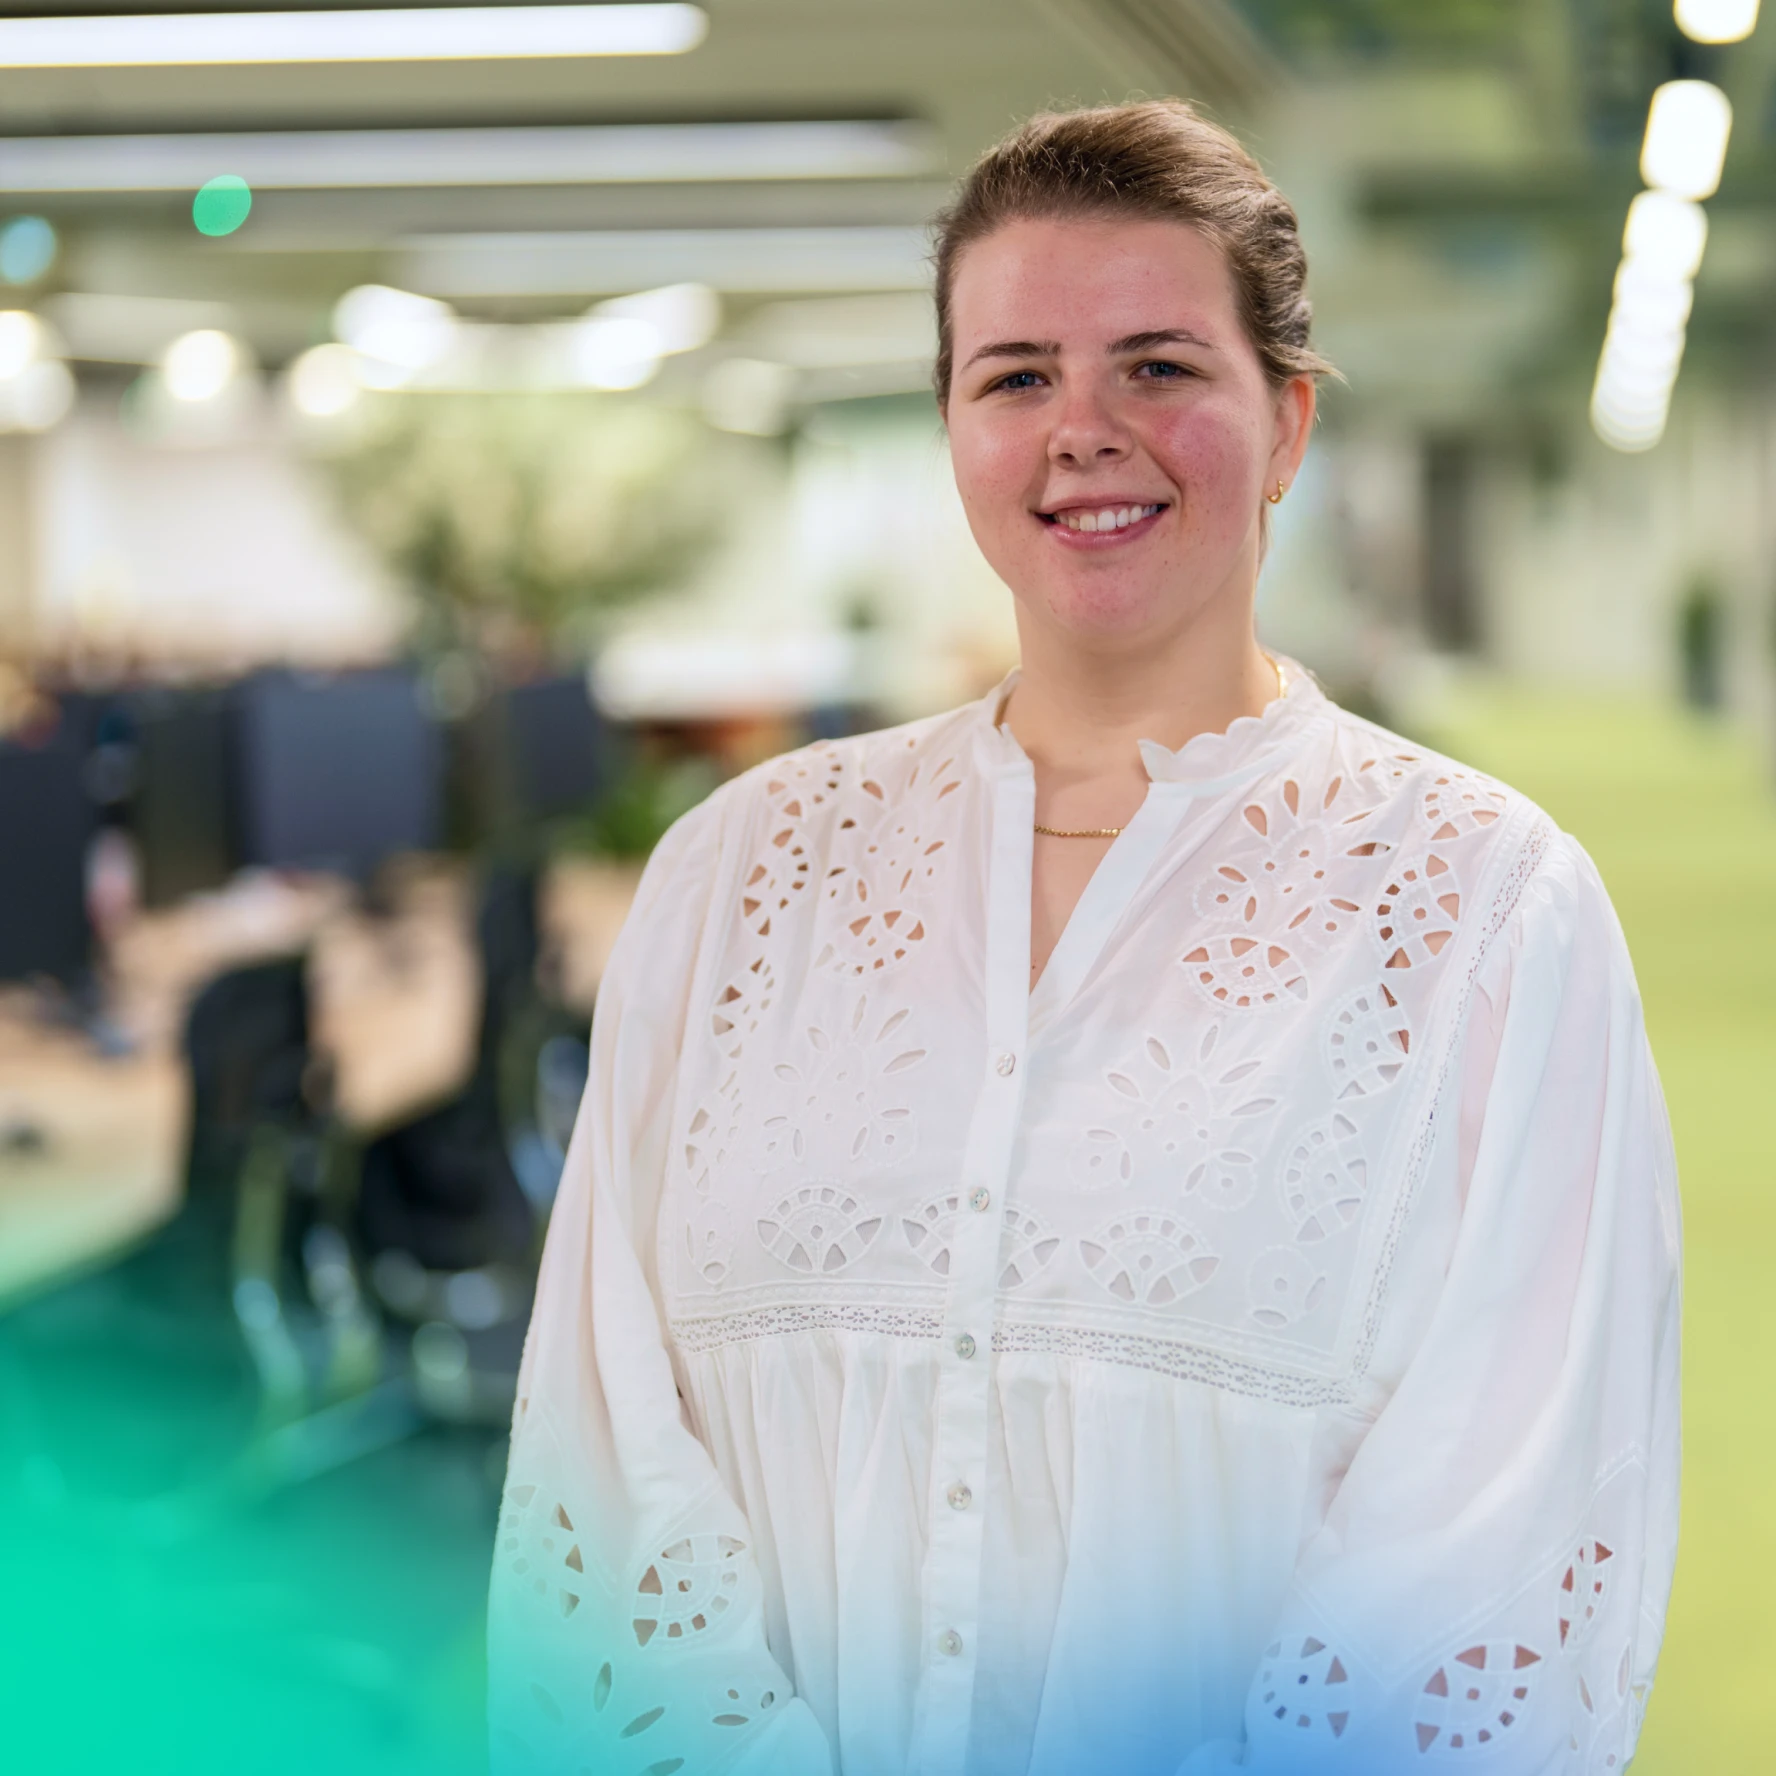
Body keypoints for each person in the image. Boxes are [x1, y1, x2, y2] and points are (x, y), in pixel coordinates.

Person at [488, 101, 1680, 1776]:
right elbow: (599, 1452)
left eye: (1163, 367)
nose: (1084, 431)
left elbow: (1503, 1516)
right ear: (954, 426)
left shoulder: (1486, 906)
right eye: (1017, 375)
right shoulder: (738, 877)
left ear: (1289, 423)